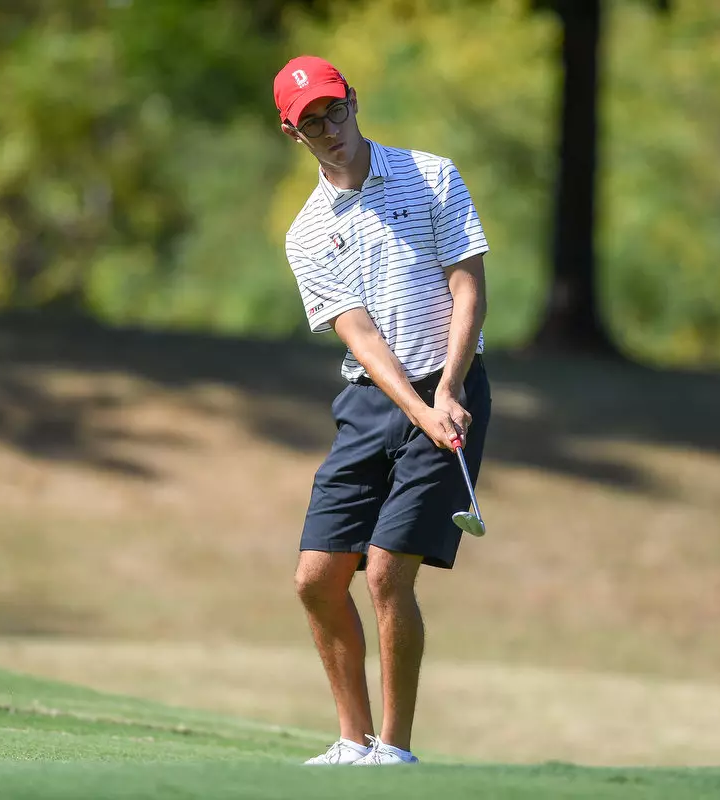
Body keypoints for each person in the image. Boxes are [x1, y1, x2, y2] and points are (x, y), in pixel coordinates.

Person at [272, 55, 492, 766]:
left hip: (451, 384)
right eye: (311, 123)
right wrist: (416, 408)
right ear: (292, 133)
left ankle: (393, 751)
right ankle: (351, 740)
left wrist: (448, 391)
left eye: (335, 110)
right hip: (372, 402)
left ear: (353, 101)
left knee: (387, 572)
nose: (329, 129)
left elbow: (468, 287)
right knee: (315, 579)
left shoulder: (433, 176)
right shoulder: (306, 232)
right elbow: (360, 337)